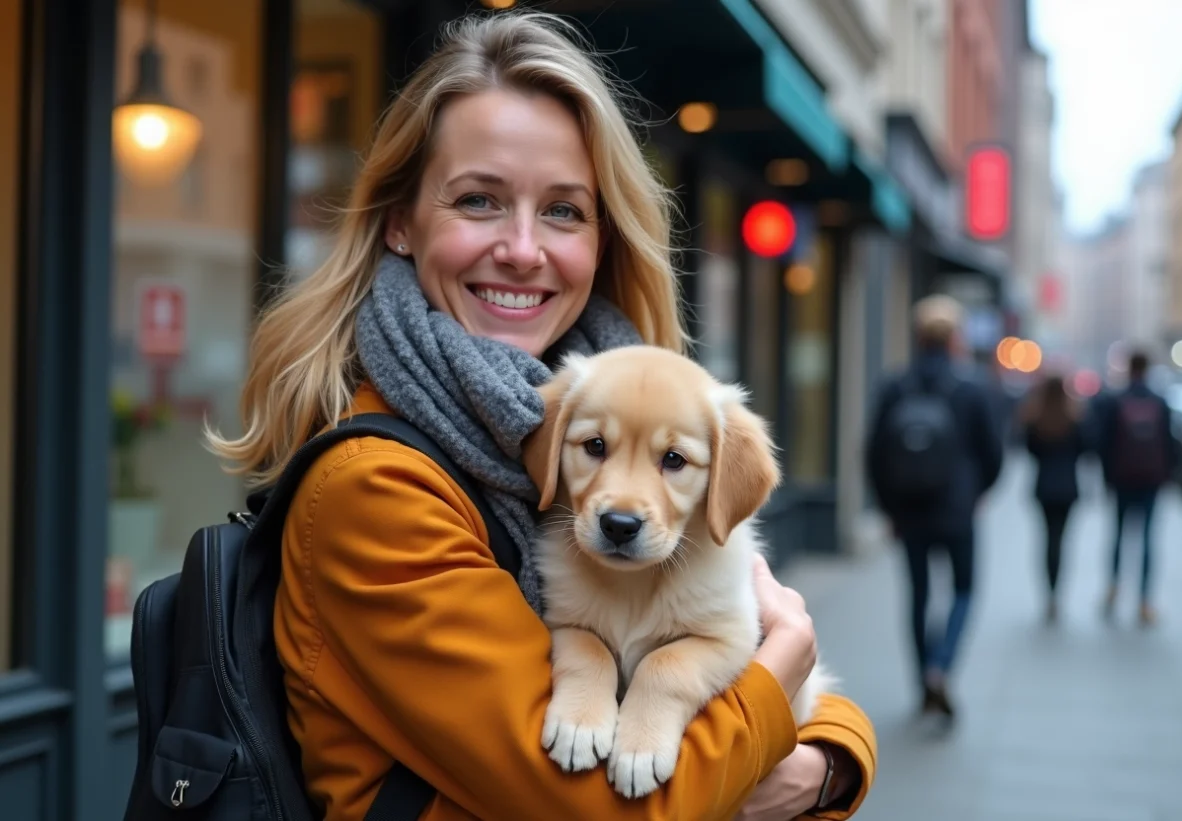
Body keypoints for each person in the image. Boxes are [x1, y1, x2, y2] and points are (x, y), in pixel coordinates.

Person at [207, 12, 875, 821]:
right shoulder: (375, 489)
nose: (523, 249)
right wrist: (788, 669)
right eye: (479, 199)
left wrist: (830, 755)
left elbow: (740, 663)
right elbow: (602, 805)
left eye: (563, 210)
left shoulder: (597, 408)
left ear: (601, 239)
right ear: (399, 222)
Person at [865, 295, 1003, 722]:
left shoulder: (896, 385)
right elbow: (993, 453)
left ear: (918, 336)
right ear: (955, 338)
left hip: (909, 511)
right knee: (963, 590)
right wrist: (978, 493)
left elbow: (872, 453)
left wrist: (888, 508)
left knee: (919, 595)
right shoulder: (971, 388)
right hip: (958, 509)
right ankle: (940, 665)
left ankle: (922, 680)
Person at [1093, 349, 1177, 626]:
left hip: (1122, 479)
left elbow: (1104, 442)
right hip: (1151, 480)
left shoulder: (1116, 400)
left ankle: (1114, 589)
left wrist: (1107, 477)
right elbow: (1169, 443)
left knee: (1118, 535)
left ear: (1129, 369)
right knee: (1147, 540)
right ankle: (1144, 600)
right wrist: (1166, 477)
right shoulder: (1159, 401)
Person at [1019, 372, 1091, 624]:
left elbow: (1028, 449)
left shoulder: (1035, 419)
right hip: (1068, 488)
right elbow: (1086, 448)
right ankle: (1056, 592)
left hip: (1044, 487)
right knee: (1060, 540)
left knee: (1047, 539)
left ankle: (1049, 593)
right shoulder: (1074, 418)